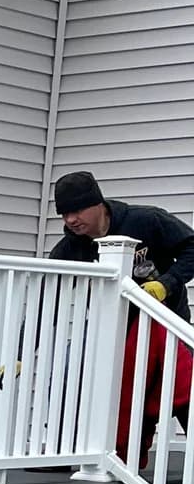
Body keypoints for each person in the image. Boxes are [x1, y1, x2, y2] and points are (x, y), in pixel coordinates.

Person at [51, 172, 194, 460]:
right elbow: (47, 296)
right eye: (64, 214)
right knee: (74, 375)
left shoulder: (146, 221)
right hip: (111, 332)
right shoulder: (70, 249)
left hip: (165, 326)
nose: (71, 220)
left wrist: (167, 284)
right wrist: (20, 351)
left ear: (98, 203)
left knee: (184, 391)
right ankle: (72, 453)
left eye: (77, 210)